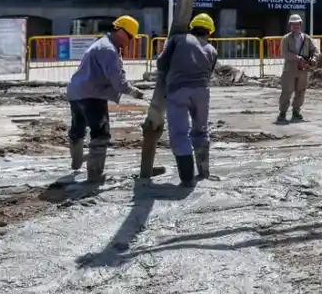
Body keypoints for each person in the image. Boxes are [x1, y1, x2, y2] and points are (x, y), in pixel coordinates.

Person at [65, 14, 145, 182]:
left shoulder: (103, 44)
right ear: (120, 31)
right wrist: (133, 91)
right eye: (130, 37)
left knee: (78, 129)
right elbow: (118, 81)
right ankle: (95, 174)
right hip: (92, 95)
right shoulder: (108, 49)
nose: (130, 41)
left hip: (76, 92)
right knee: (101, 134)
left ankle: (76, 161)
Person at [155, 13, 219, 184]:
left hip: (178, 91)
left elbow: (161, 64)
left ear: (192, 28)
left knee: (179, 133)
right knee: (201, 131)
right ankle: (203, 172)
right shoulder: (212, 50)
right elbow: (209, 73)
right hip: (202, 92)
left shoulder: (177, 40)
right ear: (209, 32)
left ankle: (187, 178)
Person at [277, 13, 318, 124]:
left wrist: (313, 58)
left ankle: (296, 111)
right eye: (293, 24)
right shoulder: (286, 39)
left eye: (297, 24)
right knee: (287, 91)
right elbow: (285, 53)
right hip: (290, 69)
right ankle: (282, 112)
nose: (295, 26)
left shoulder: (306, 38)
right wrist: (298, 58)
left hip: (303, 69)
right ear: (290, 25)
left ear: (300, 25)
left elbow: (315, 50)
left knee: (301, 91)